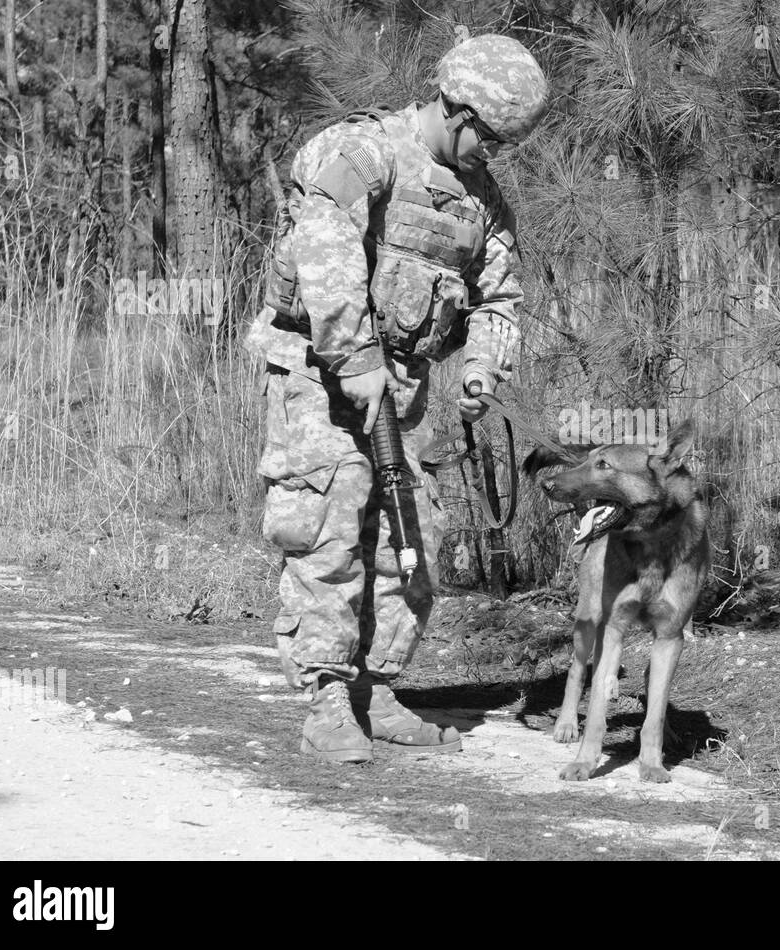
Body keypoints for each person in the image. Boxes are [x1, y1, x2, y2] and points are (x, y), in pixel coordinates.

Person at [245, 34, 548, 763]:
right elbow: (326, 257)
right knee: (330, 525)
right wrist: (355, 357)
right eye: (492, 138)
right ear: (458, 109)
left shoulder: (482, 200)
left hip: (403, 387)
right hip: (320, 375)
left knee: (409, 536)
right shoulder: (361, 153)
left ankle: (376, 687)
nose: (494, 155)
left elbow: (499, 294)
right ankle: (325, 698)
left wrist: (483, 368)